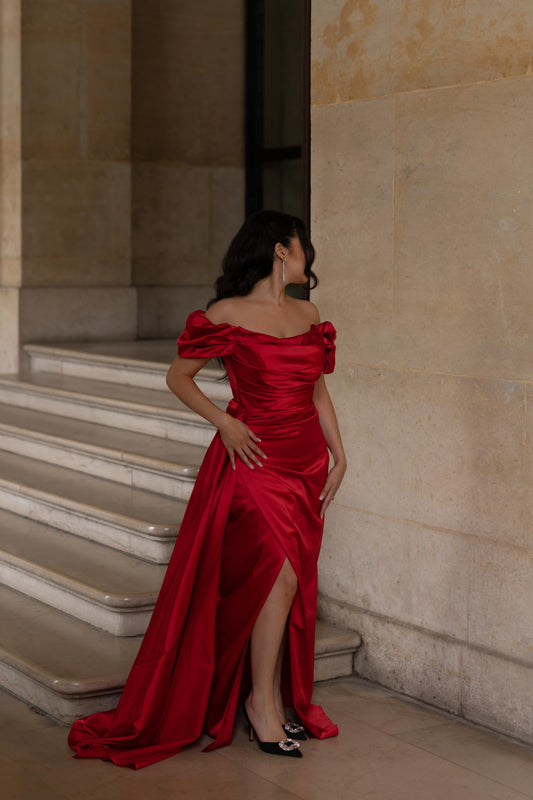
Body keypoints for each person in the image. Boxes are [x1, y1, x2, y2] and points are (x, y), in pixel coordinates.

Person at [67, 210, 347, 768]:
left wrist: (340, 453)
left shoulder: (310, 313)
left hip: (305, 462)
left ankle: (261, 696)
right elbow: (178, 375)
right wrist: (224, 421)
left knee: (285, 584)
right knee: (281, 575)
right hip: (254, 458)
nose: (308, 258)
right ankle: (260, 705)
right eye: (302, 247)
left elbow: (317, 395)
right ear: (279, 251)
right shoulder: (226, 314)